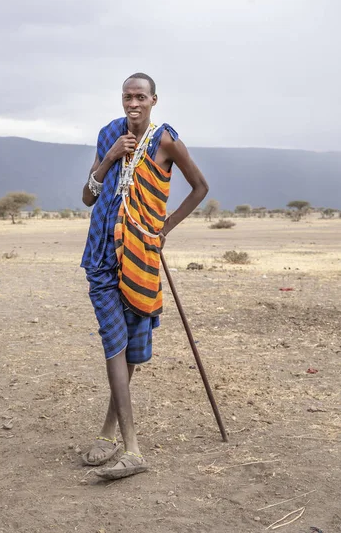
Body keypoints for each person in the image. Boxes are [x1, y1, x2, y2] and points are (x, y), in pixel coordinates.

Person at [81, 73, 208, 480]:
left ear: (154, 100)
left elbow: (200, 187)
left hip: (140, 256)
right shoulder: (108, 135)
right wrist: (109, 157)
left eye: (140, 97)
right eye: (127, 97)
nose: (133, 103)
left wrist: (163, 229)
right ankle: (133, 448)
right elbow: (88, 196)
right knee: (113, 343)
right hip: (102, 253)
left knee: (130, 342)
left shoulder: (164, 140)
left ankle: (107, 432)